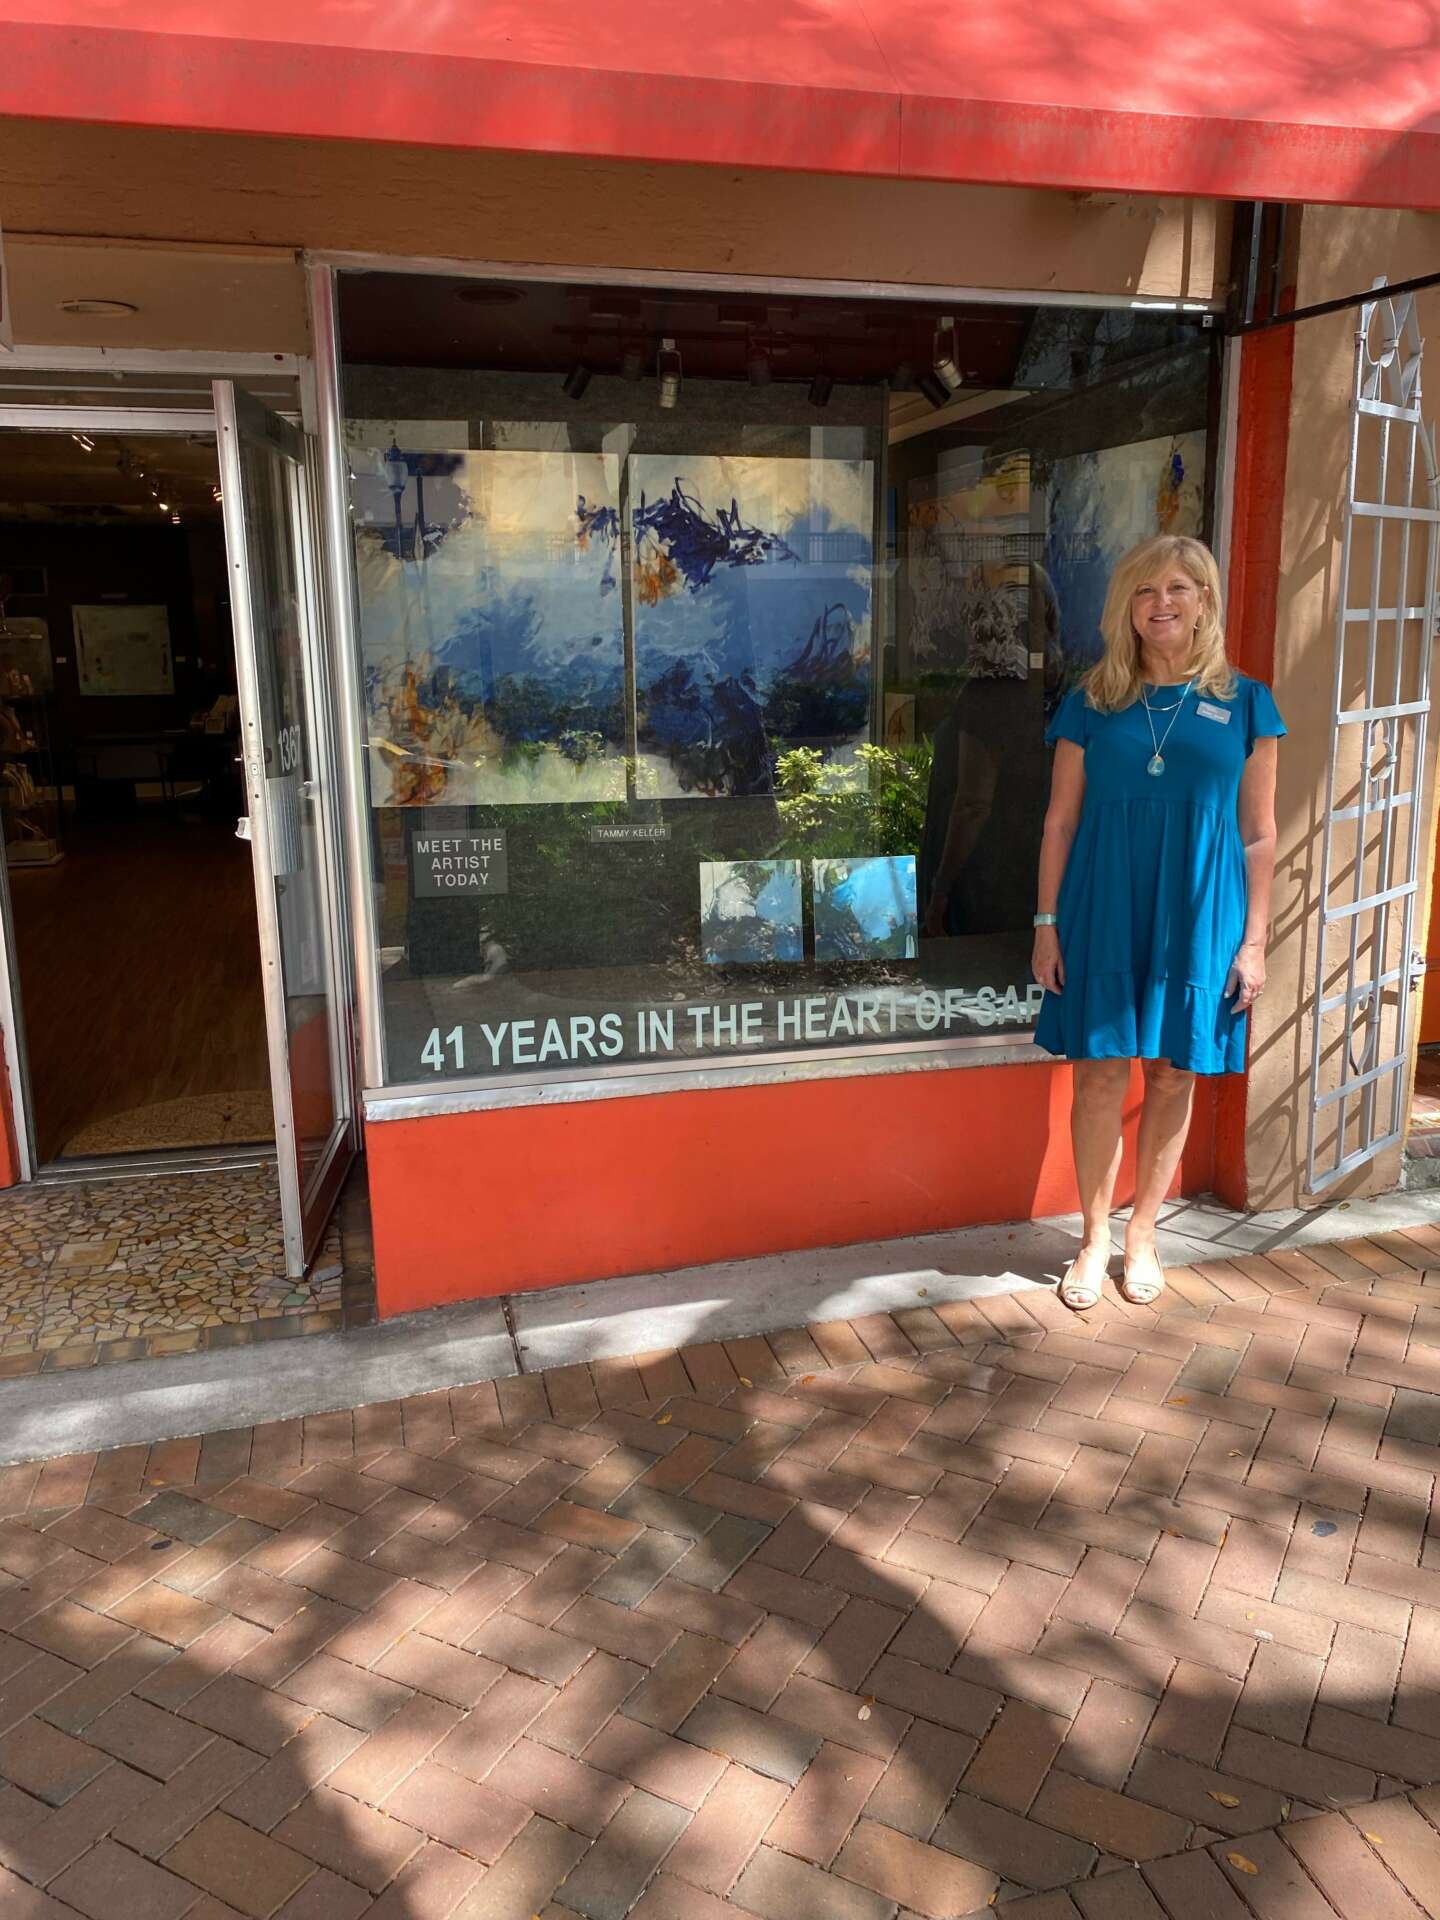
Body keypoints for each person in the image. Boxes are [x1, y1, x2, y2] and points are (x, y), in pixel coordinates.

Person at [1031, 534, 1284, 1310]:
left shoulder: (1247, 703)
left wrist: (1253, 942)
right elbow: (1060, 822)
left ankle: (1143, 1233)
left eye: (1178, 588)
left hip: (1201, 912)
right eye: (1145, 590)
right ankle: (1093, 1237)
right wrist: (1045, 923)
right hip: (1104, 905)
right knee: (1100, 1071)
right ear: (1126, 607)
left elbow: (1259, 834)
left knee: (1174, 1071)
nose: (1161, 603)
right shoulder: (1091, 701)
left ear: (1205, 600)